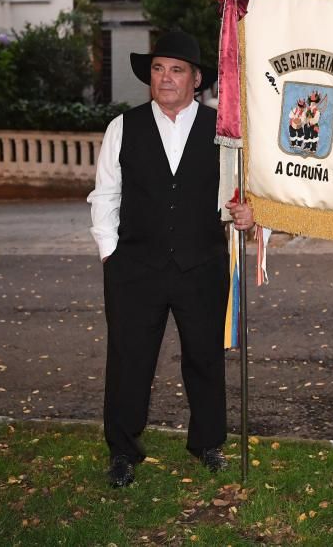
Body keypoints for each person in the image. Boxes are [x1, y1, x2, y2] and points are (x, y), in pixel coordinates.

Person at [87, 31, 254, 488]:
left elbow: (241, 195)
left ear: (196, 79)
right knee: (129, 359)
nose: (166, 77)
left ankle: (207, 443)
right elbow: (106, 195)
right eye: (158, 69)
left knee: (204, 358)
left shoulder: (225, 132)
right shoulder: (123, 127)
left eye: (177, 69)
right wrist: (111, 254)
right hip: (134, 268)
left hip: (202, 265)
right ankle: (123, 451)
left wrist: (245, 213)